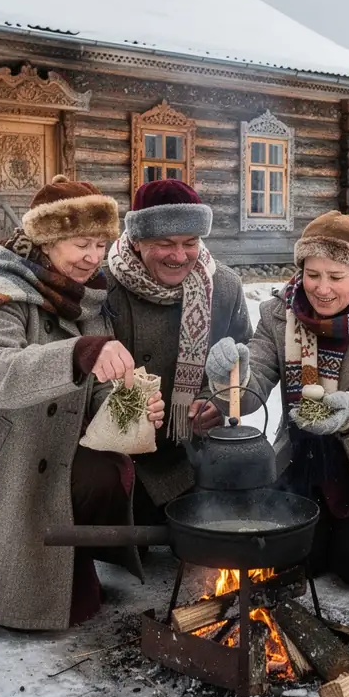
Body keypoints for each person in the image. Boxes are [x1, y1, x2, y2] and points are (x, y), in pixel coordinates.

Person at [0, 176, 164, 630]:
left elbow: (97, 385)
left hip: (53, 445)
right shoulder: (0, 288)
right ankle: (7, 581)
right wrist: (77, 353)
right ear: (46, 239)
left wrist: (130, 407)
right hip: (0, 456)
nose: (93, 257)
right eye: (81, 244)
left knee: (110, 471)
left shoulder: (87, 294)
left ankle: (65, 562)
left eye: (100, 243)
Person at [204, 210, 349, 591]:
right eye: (312, 275)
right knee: (286, 556)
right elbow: (255, 384)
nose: (322, 288)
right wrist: (233, 375)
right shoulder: (278, 315)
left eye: (336, 277)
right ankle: (323, 531)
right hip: (306, 459)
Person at [104, 179, 252, 521]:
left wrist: (212, 400)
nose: (180, 255)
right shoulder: (103, 286)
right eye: (165, 243)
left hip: (189, 452)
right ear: (137, 241)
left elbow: (241, 365)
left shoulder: (224, 287)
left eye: (190, 242)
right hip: (117, 452)